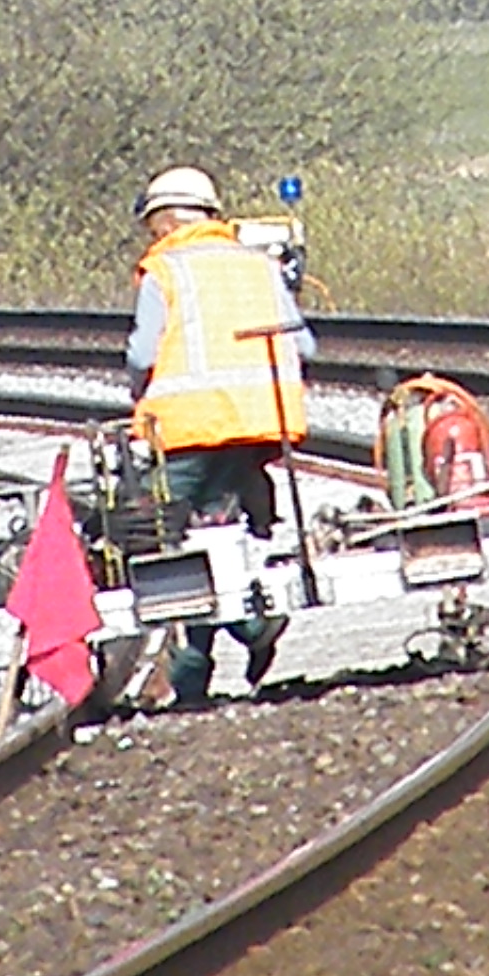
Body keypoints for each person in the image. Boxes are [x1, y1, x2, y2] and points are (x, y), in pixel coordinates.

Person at [124, 165, 313, 706]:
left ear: (165, 219)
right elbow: (305, 348)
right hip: (257, 429)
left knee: (172, 549)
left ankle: (228, 646)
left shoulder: (164, 270)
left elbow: (142, 355)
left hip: (188, 430)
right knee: (216, 539)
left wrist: (140, 392)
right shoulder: (257, 265)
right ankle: (202, 667)